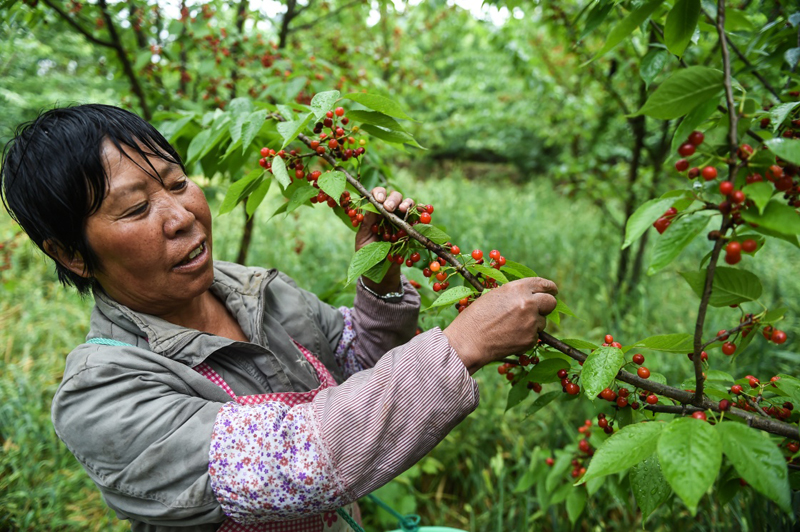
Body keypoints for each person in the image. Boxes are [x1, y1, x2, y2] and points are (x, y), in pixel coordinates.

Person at [0, 104, 558, 531]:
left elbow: (358, 365)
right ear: (71, 254)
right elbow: (299, 459)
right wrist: (459, 347)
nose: (180, 217)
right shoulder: (103, 398)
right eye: (136, 209)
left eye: (176, 183)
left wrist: (380, 280)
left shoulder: (258, 292)